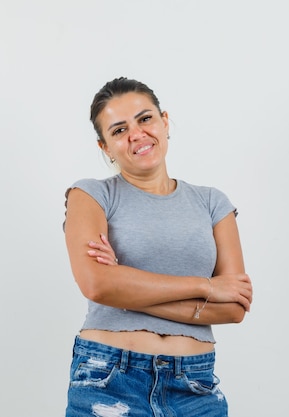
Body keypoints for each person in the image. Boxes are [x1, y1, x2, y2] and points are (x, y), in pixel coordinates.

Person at [63, 77, 253, 417]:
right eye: (119, 130)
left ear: (165, 121)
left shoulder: (212, 203)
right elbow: (96, 284)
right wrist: (206, 286)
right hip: (109, 377)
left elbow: (234, 307)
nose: (136, 134)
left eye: (145, 118)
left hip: (195, 384)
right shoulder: (92, 195)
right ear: (105, 147)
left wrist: (125, 286)